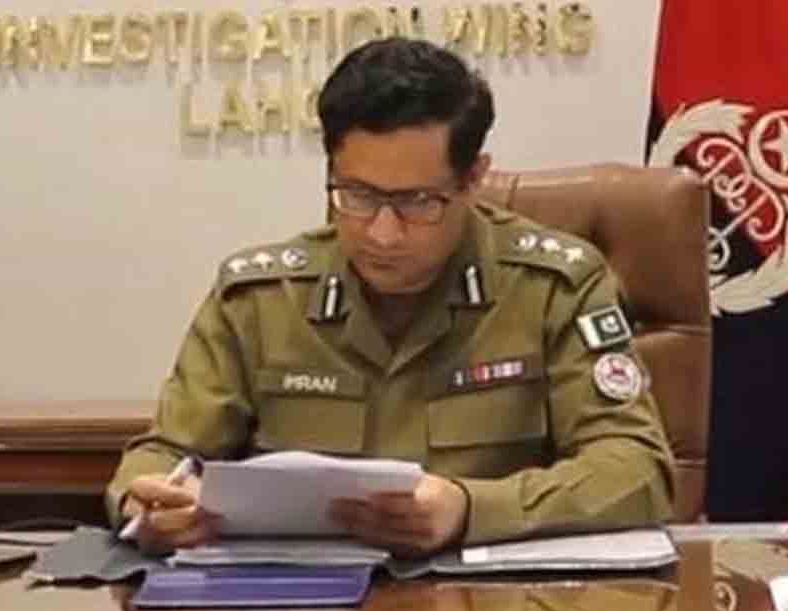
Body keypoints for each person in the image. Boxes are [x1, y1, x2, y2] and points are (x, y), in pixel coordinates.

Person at [107, 36, 674, 558]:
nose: (382, 233)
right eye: (356, 195)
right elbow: (163, 454)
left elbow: (636, 469)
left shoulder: (555, 287)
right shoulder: (259, 298)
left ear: (473, 178)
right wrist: (146, 504)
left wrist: (470, 508)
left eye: (417, 202)